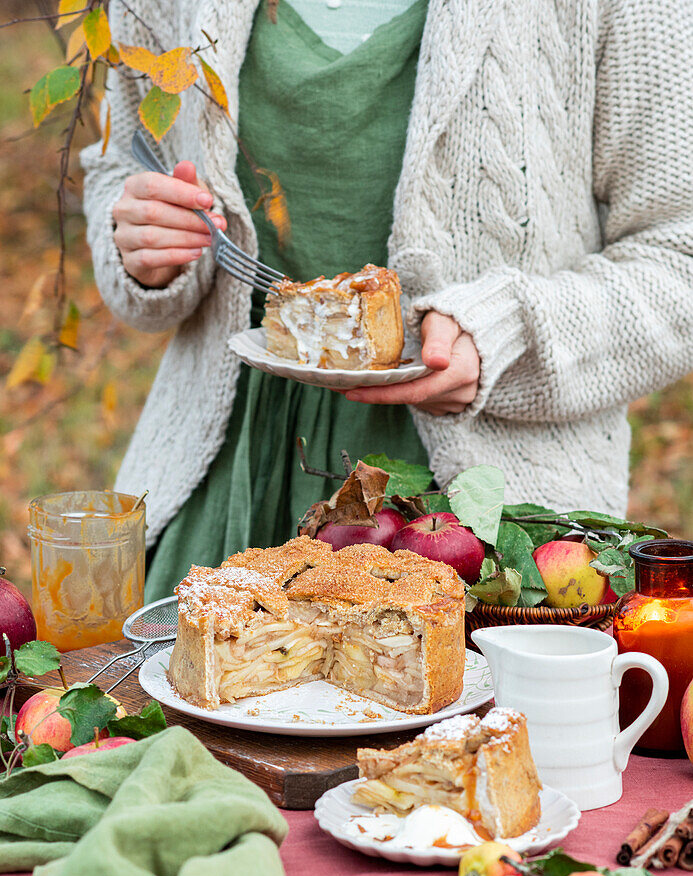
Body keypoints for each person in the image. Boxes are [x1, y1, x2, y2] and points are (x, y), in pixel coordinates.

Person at [82, 0, 693, 601]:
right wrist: (140, 242)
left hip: (483, 518)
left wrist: (505, 335)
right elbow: (122, 166)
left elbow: (678, 258)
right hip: (231, 482)